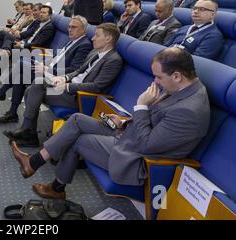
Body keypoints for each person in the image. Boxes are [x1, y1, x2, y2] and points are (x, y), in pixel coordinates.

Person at [11, 47, 210, 199]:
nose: (156, 82)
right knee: (77, 119)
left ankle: (56, 187)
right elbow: (158, 122)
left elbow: (147, 145)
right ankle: (34, 162)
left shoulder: (189, 110)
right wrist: (125, 121)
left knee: (77, 140)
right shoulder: (181, 88)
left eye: (158, 77)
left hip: (136, 157)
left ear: (177, 76)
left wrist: (140, 107)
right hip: (129, 134)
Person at [3, 23, 123, 147]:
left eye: (97, 36)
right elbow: (78, 71)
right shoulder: (95, 52)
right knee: (31, 90)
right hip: (69, 87)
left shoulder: (114, 60)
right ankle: (29, 132)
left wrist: (67, 86)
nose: (93, 38)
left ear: (108, 39)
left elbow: (97, 87)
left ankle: (28, 132)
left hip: (80, 97)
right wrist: (64, 78)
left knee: (37, 85)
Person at [0, 16, 93, 125]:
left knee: (22, 63)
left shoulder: (84, 45)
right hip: (48, 68)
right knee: (20, 77)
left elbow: (73, 70)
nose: (70, 29)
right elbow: (58, 57)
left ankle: (1, 92)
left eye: (74, 27)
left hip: (57, 78)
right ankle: (12, 113)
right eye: (69, 27)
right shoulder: (73, 40)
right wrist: (44, 62)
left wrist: (47, 69)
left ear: (83, 29)